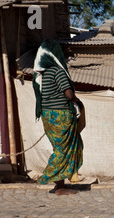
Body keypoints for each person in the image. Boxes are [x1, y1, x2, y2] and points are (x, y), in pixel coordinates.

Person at [33, 39, 84, 196]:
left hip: (47, 116)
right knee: (64, 149)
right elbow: (69, 94)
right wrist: (78, 102)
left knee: (59, 148)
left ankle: (60, 184)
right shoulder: (58, 71)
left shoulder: (43, 74)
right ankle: (53, 180)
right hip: (61, 115)